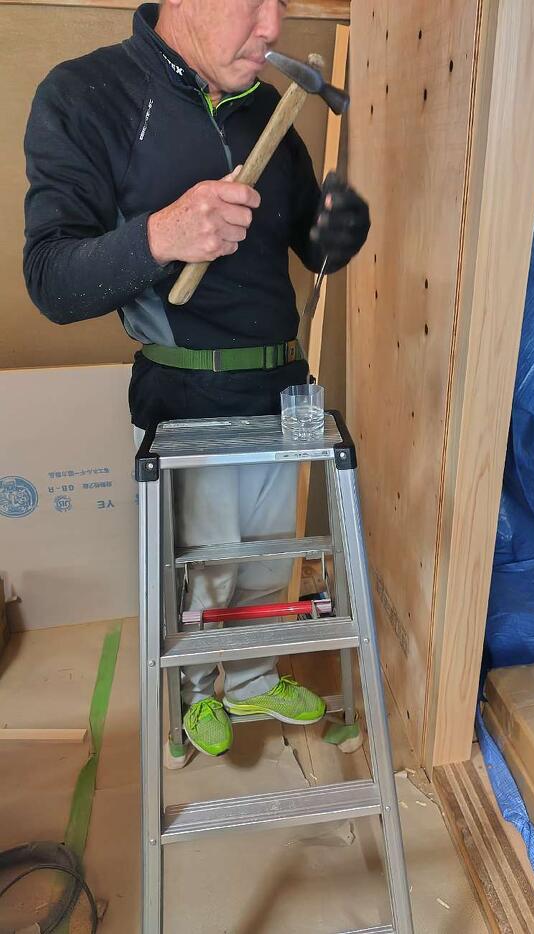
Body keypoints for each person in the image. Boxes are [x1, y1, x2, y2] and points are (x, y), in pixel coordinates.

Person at [23, 0, 370, 758]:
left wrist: (339, 231)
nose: (273, 27)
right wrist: (162, 235)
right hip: (184, 400)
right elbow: (50, 279)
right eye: (253, 2)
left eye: (282, 4)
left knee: (266, 564)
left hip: (279, 390)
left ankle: (248, 682)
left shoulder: (267, 108)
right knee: (201, 572)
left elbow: (310, 244)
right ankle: (190, 698)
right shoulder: (88, 95)